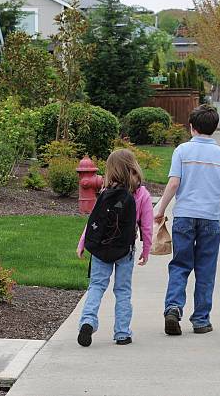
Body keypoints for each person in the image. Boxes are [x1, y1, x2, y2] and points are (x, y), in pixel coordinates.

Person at [154, 105, 220, 335]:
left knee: (180, 264)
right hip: (210, 218)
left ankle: (173, 307)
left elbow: (174, 183)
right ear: (214, 128)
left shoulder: (182, 151)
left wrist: (160, 208)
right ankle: (200, 320)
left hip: (184, 216)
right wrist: (217, 211)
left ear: (192, 127)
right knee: (206, 269)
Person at [76, 149, 153, 347]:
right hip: (125, 249)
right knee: (123, 290)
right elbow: (146, 225)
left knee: (97, 286)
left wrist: (83, 241)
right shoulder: (141, 194)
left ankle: (87, 320)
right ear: (133, 167)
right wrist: (146, 249)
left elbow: (95, 220)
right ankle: (122, 333)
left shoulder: (105, 193)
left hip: (102, 249)